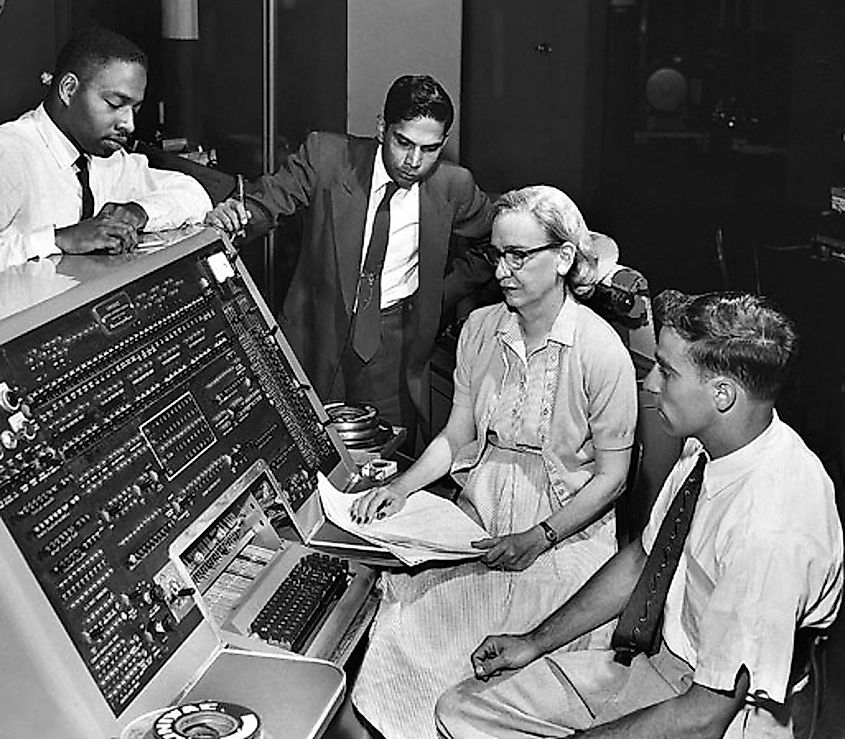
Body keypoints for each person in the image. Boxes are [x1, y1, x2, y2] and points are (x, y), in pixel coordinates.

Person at [436, 289, 844, 739]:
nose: (650, 384)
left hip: (727, 715)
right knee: (460, 709)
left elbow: (705, 718)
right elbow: (642, 559)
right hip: (662, 664)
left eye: (666, 372)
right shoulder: (709, 446)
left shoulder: (770, 527)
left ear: (722, 394)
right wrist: (533, 642)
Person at [347, 185, 638, 738]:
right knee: (401, 615)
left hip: (565, 537)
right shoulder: (480, 329)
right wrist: (403, 487)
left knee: (478, 660)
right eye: (497, 254)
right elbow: (458, 433)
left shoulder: (602, 352)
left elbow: (612, 478)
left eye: (519, 256)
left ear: (565, 259)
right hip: (480, 518)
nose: (503, 269)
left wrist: (539, 537)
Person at [205, 75, 495, 441]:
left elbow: (496, 239)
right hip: (318, 333)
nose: (413, 161)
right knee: (305, 450)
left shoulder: (455, 185)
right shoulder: (326, 157)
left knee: (388, 457)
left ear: (444, 143)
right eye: (403, 142)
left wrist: (439, 293)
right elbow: (271, 200)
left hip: (395, 347)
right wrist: (238, 218)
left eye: (430, 148)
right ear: (381, 128)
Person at [0, 27, 212, 274]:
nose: (129, 124)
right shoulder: (10, 152)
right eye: (115, 104)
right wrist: (58, 240)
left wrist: (139, 212)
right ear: (69, 90)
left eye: (135, 109)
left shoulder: (109, 160)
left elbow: (193, 194)